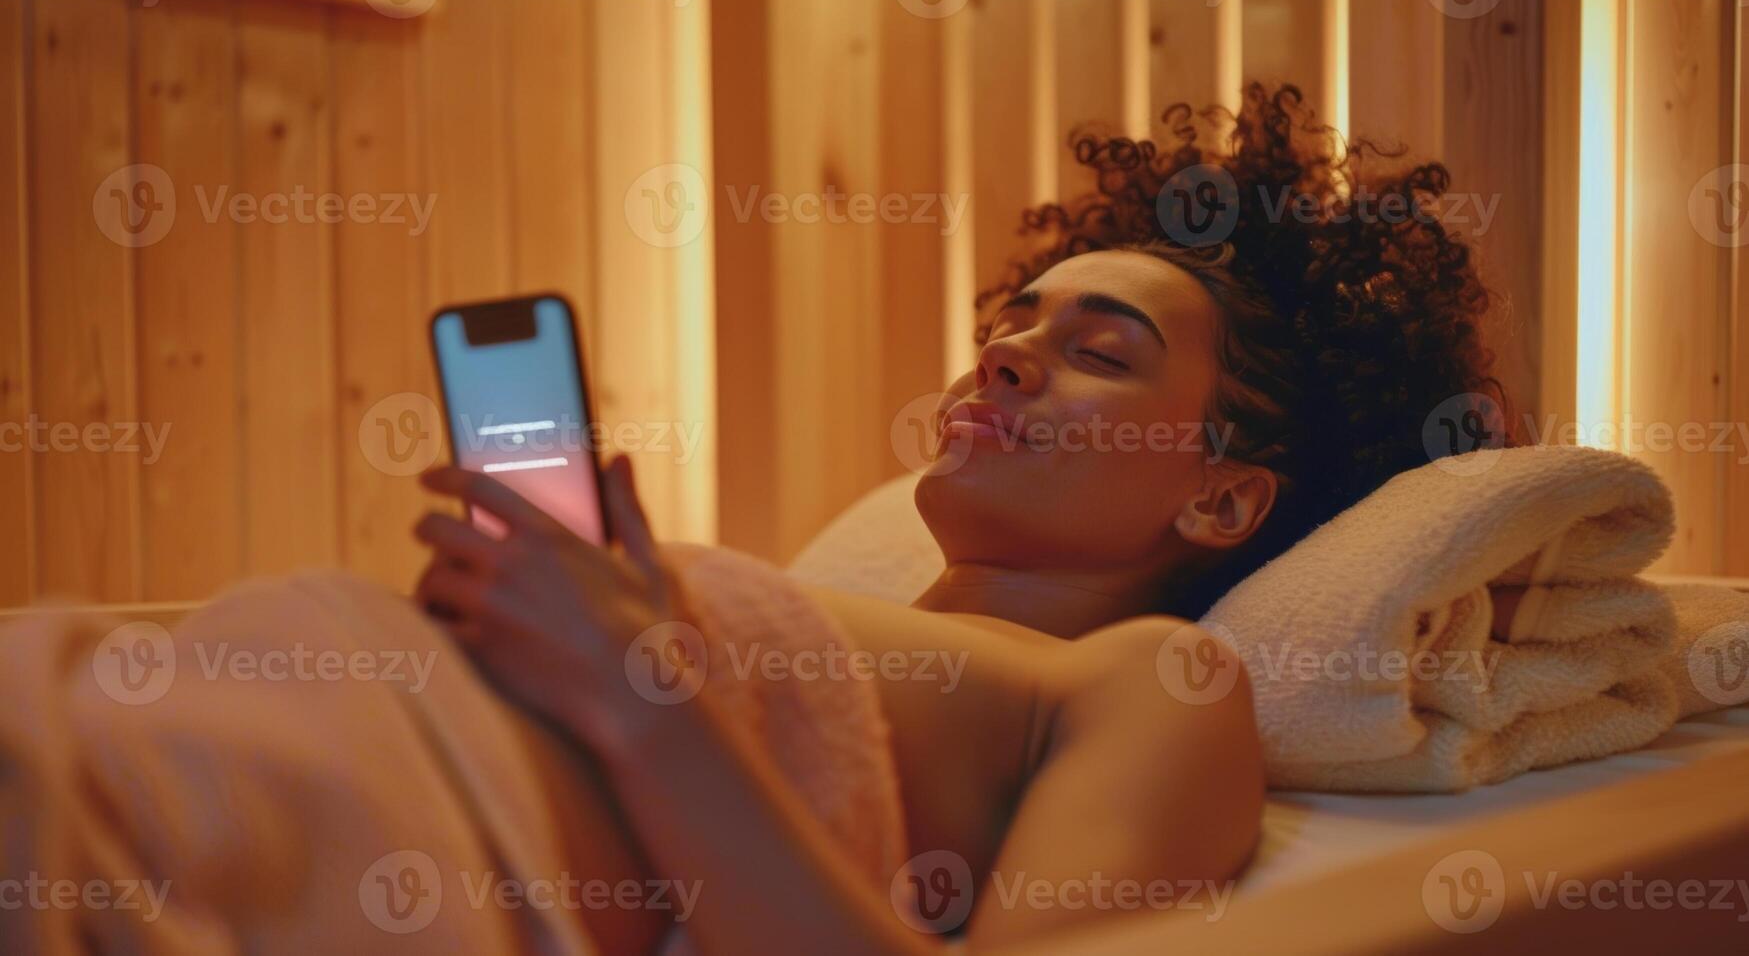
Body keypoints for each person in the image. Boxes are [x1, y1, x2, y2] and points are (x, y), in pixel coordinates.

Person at [413, 83, 1511, 951]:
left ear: (1221, 496)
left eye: (1099, 352)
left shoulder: (1158, 683)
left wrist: (638, 688)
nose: (1003, 354)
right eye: (1010, 328)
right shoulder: (849, 621)